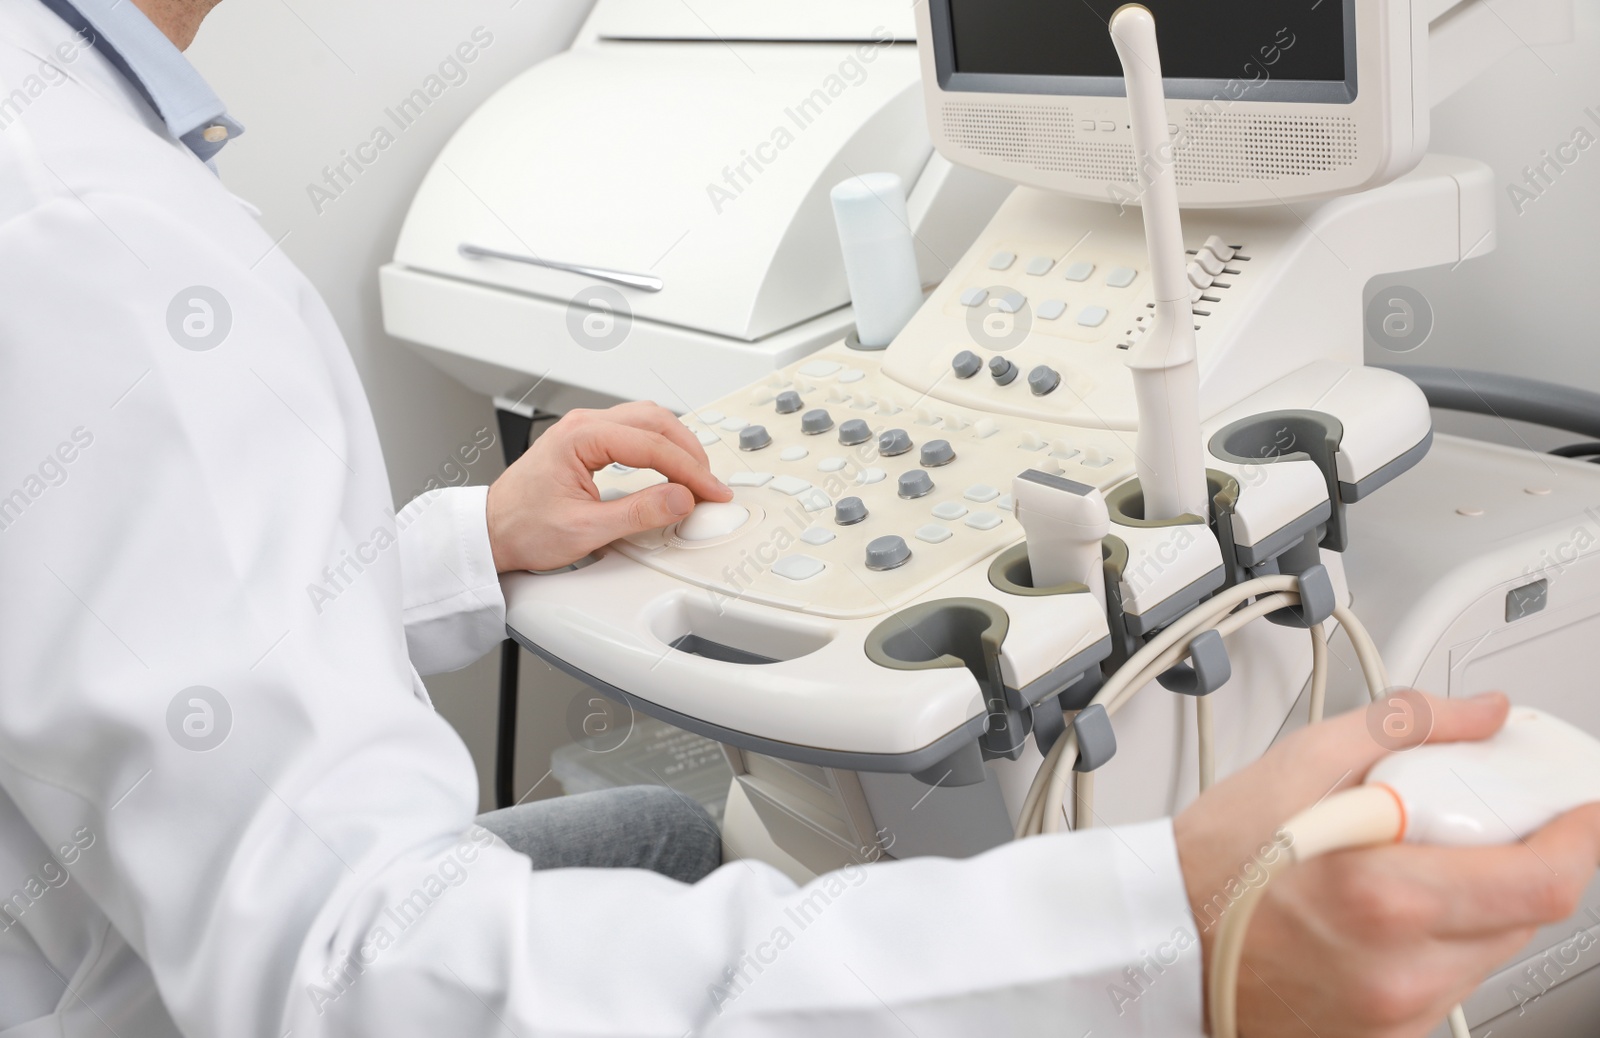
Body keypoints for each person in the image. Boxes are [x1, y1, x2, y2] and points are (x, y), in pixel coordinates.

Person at [1, 1, 1596, 1035]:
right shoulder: (100, 242)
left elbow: (110, 622)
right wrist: (1167, 931)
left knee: (682, 837)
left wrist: (461, 544)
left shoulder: (67, 161)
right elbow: (342, 978)